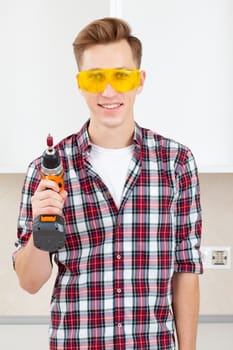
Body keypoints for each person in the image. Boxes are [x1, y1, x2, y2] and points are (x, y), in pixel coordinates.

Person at [13, 17, 203, 350]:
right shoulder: (47, 170)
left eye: (121, 76)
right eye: (95, 77)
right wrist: (41, 224)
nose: (109, 90)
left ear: (139, 80)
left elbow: (185, 270)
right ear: (80, 83)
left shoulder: (176, 163)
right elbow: (29, 282)